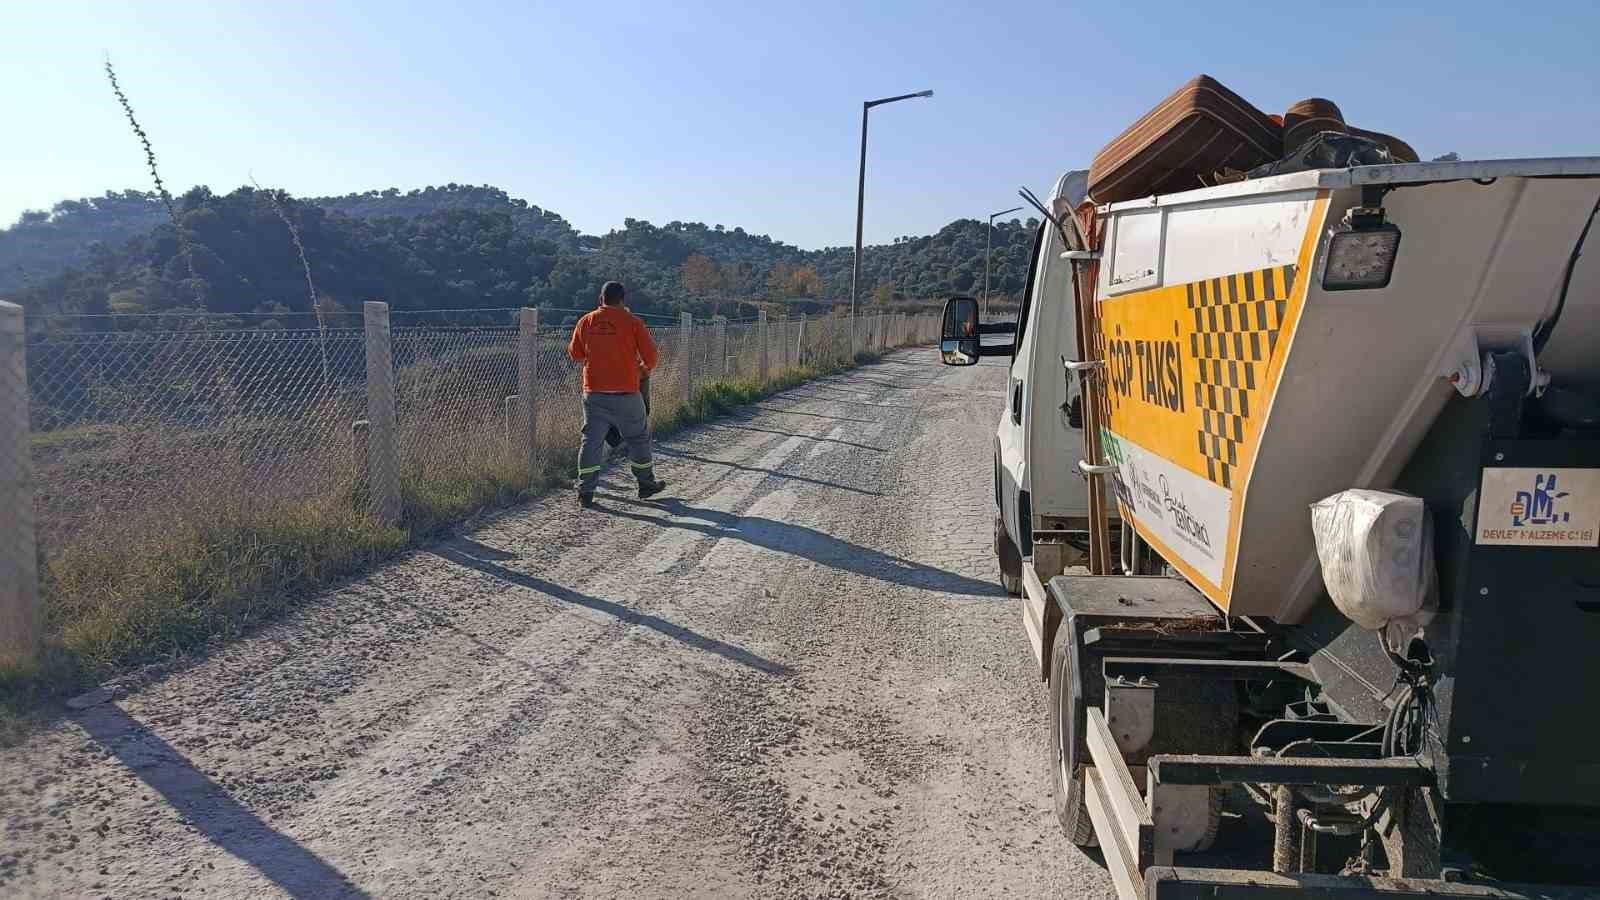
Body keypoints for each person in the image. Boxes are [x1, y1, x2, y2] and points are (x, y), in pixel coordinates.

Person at [567, 281, 667, 507]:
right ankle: (645, 485)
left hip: (594, 394)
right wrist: (642, 369)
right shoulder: (632, 322)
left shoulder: (587, 321)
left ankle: (585, 491)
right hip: (627, 394)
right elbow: (651, 356)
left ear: (600, 299)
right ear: (623, 300)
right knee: (638, 438)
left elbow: (575, 353)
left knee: (591, 442)